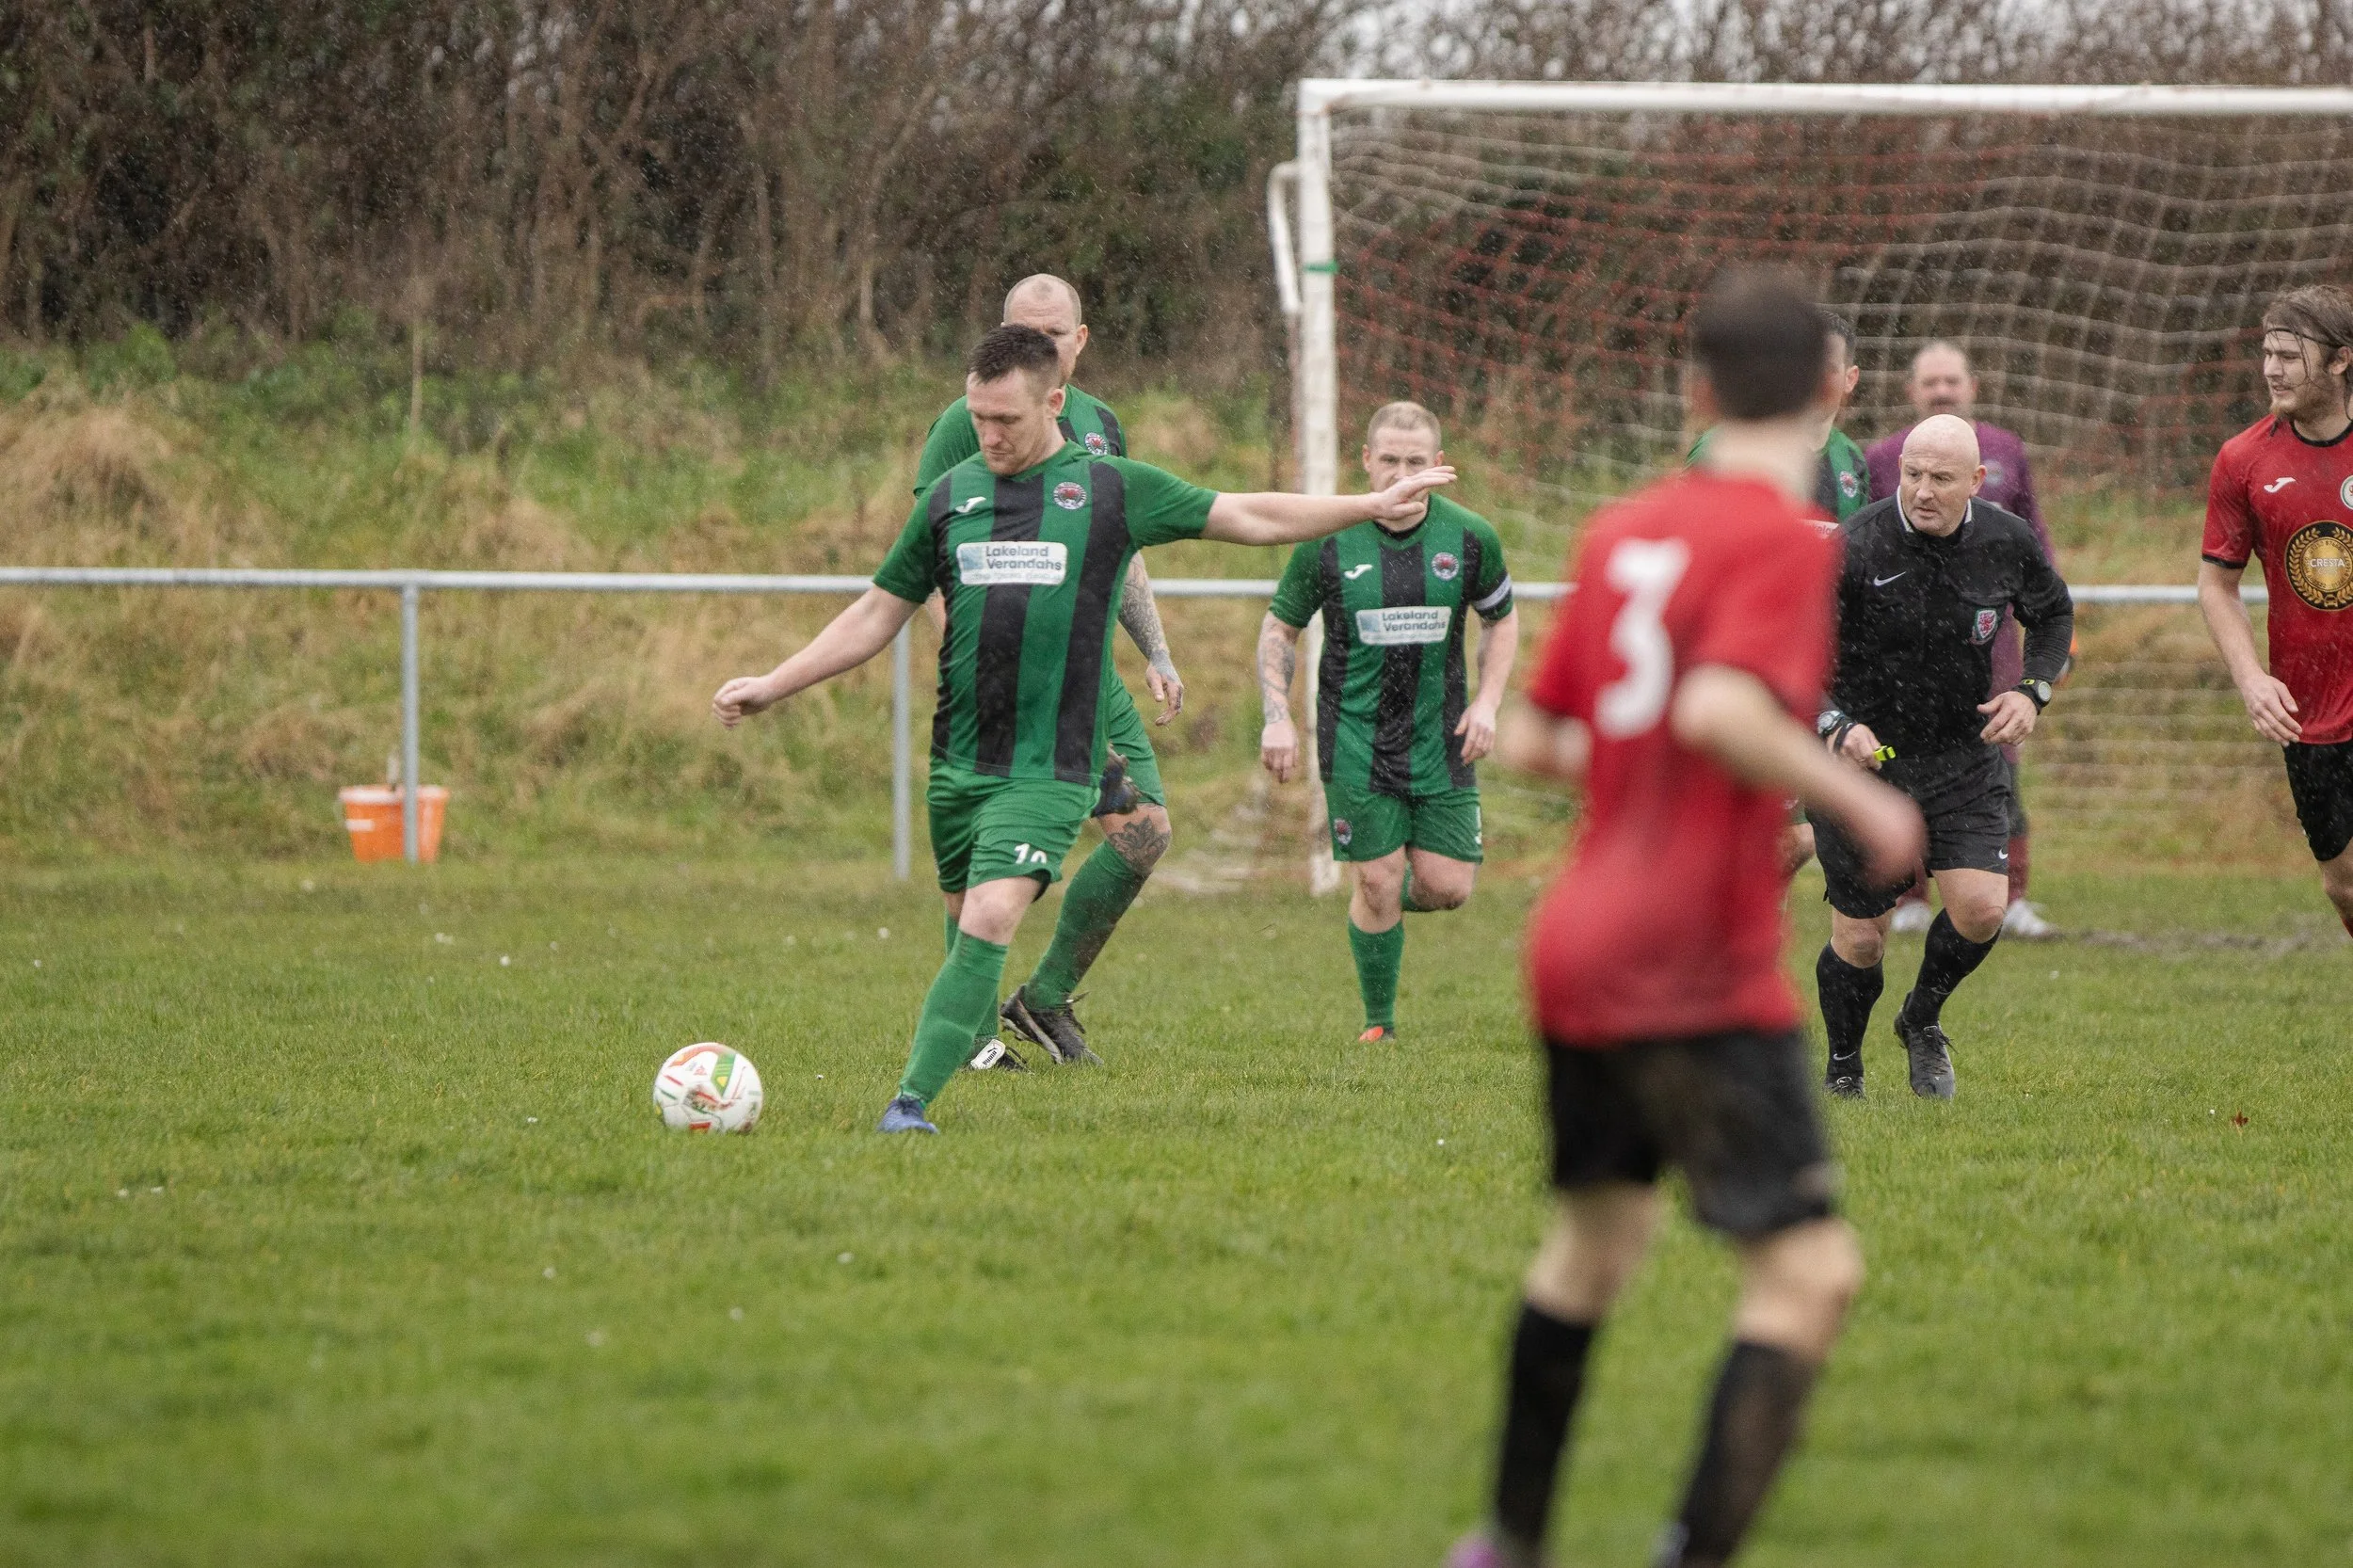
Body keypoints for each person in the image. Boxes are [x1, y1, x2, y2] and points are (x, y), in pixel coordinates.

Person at [1449, 271, 1924, 1568]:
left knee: (1594, 1248)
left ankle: (1508, 1539)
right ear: (1840, 388)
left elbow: (1538, 733)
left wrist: (1644, 749)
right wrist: (1863, 803)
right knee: (1807, 1275)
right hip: (1690, 961)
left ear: (1696, 391)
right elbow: (1720, 708)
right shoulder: (1780, 538)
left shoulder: (1622, 530)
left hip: (1578, 939)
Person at [712, 324, 1455, 1134]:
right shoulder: (952, 493)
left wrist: (1369, 505)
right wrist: (774, 685)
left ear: (1055, 401)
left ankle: (909, 1104)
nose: (988, 436)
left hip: (1051, 767)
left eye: (1007, 421)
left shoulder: (1107, 489)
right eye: (979, 417)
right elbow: (875, 612)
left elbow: (1246, 513)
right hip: (960, 762)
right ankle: (994, 1032)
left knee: (995, 914)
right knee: (967, 929)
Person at [913, 274, 1178, 1070]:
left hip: (1088, 681)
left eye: (1055, 333)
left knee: (1144, 833)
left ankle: (1045, 998)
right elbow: (927, 556)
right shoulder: (967, 422)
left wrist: (1157, 649)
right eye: (1023, 330)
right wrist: (973, 660)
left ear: (1080, 340)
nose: (1041, 344)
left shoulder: (1100, 426)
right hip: (1006, 683)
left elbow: (1116, 547)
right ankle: (970, 1037)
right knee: (971, 878)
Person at [1811, 415, 2073, 1100]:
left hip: (1962, 752)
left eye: (1941, 478)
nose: (1923, 491)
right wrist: (1837, 726)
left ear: (1978, 482)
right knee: (1863, 941)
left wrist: (2032, 692)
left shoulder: (2004, 540)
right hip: (1864, 764)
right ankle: (1844, 1065)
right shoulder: (1856, 545)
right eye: (1913, 474)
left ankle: (1920, 1020)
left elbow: (2053, 618)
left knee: (1983, 909)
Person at [1257, 401, 1519, 1044]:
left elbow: (1502, 619)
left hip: (1442, 739)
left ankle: (1371, 899)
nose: (1401, 473)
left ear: (1438, 467)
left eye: (1415, 462)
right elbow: (1279, 628)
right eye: (1389, 461)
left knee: (1447, 886)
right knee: (1379, 881)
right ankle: (1380, 1026)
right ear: (1366, 462)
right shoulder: (1327, 538)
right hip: (1354, 741)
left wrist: (1487, 703)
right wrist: (1276, 717)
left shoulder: (1470, 537)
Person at [1867, 341, 2061, 938]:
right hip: (1901, 650)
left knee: (1997, 763)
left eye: (1951, 380)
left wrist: (2051, 645)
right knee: (1896, 765)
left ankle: (2015, 895)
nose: (1942, 390)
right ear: (1912, 391)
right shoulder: (1882, 456)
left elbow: (2036, 545)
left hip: (1990, 643)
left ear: (1971, 386)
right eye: (1930, 382)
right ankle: (1910, 898)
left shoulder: (2006, 451)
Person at [2199, 284, 2353, 939]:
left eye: (2290, 355)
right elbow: (2216, 585)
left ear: (2341, 360)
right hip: (2310, 706)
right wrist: (2252, 679)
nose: (2272, 369)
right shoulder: (2244, 459)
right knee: (2343, 883)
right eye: (2267, 353)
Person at [1691, 311, 1869, 523]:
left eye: (1827, 369)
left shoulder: (1852, 460)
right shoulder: (1722, 445)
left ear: (1850, 379)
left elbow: (1860, 547)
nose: (1814, 380)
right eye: (1807, 368)